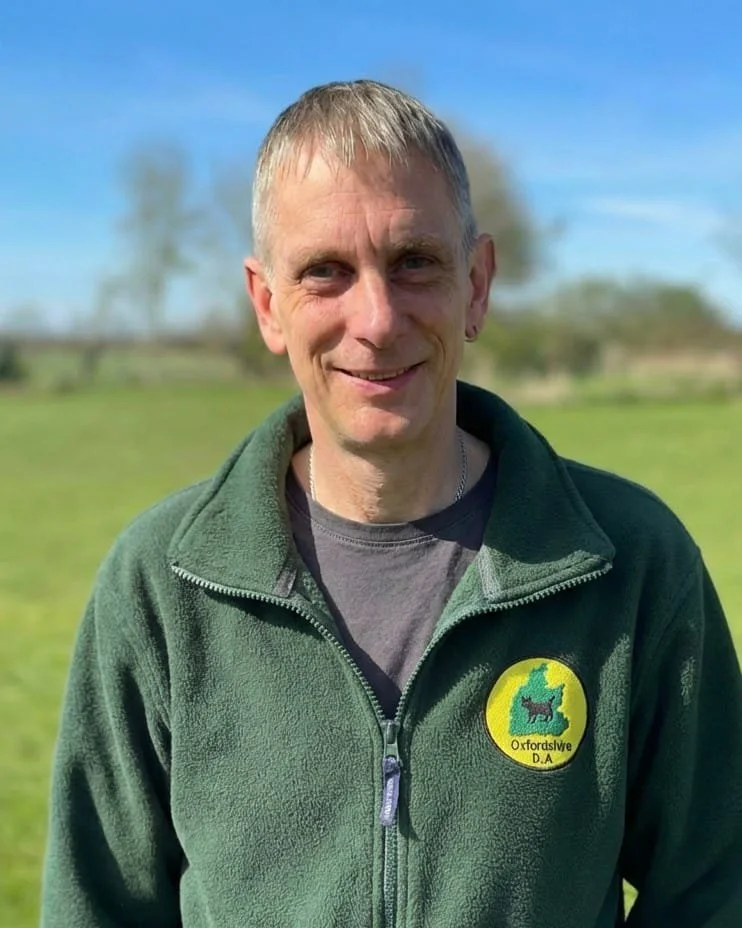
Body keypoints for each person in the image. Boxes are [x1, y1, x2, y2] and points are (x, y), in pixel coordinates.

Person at [41, 80, 741, 927]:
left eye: (414, 261)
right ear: (268, 304)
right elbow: (96, 908)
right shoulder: (158, 588)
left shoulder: (632, 565)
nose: (376, 319)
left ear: (475, 284)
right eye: (325, 272)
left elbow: (715, 888)